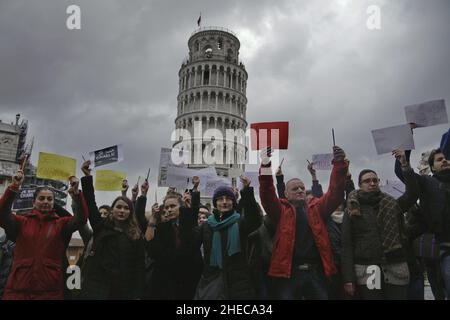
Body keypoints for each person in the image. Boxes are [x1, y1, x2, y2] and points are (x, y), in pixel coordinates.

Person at [259, 145, 348, 300]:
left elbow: (335, 192)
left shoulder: (317, 208)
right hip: (288, 274)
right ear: (286, 194)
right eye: (295, 189)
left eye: (302, 187)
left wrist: (339, 165)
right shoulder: (281, 211)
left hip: (317, 273)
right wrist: (265, 165)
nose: (300, 190)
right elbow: (266, 192)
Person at [342, 149, 419, 300]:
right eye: (367, 181)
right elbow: (347, 245)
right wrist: (349, 278)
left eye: (375, 180)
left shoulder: (392, 204)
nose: (372, 183)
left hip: (395, 265)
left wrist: (405, 166)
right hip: (368, 268)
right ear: (360, 185)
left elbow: (413, 194)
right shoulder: (352, 209)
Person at [0, 170, 88, 300]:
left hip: (50, 292)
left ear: (53, 202)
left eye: (49, 199)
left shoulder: (61, 224)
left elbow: (81, 219)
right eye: (41, 198)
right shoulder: (21, 221)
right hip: (17, 291)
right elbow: (2, 213)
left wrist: (76, 194)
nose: (46, 201)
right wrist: (14, 187)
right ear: (33, 202)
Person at [79, 160, 145, 300]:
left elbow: (139, 268)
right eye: (118, 207)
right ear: (112, 210)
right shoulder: (100, 226)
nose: (122, 211)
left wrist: (137, 295)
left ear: (130, 212)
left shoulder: (135, 236)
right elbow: (90, 202)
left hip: (121, 291)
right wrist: (87, 177)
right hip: (95, 289)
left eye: (126, 208)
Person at [194, 177, 262, 300]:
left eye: (228, 199)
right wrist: (192, 203)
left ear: (233, 202)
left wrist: (246, 191)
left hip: (238, 283)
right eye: (220, 199)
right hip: (212, 281)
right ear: (215, 203)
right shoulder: (206, 226)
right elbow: (189, 241)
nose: (224, 202)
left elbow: (254, 221)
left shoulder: (240, 222)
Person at [144, 177, 201, 299]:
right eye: (166, 207)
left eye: (173, 206)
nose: (169, 210)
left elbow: (192, 217)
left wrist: (195, 190)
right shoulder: (162, 228)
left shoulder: (189, 225)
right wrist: (153, 218)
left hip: (187, 284)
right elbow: (152, 250)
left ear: (181, 207)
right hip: (165, 286)